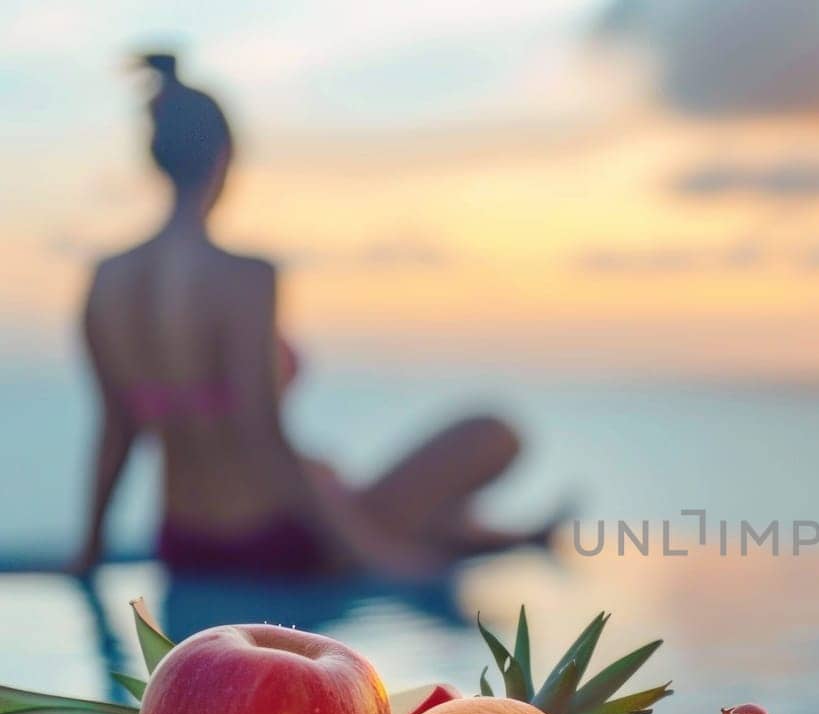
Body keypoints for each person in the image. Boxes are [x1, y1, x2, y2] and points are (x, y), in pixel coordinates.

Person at [72, 54, 554, 577]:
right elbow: (262, 438)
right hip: (272, 539)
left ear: (156, 159)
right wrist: (371, 558)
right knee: (493, 432)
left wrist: (89, 554)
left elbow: (116, 432)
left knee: (360, 494)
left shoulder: (107, 280)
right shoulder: (245, 278)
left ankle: (475, 532)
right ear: (225, 158)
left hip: (183, 543)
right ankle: (456, 533)